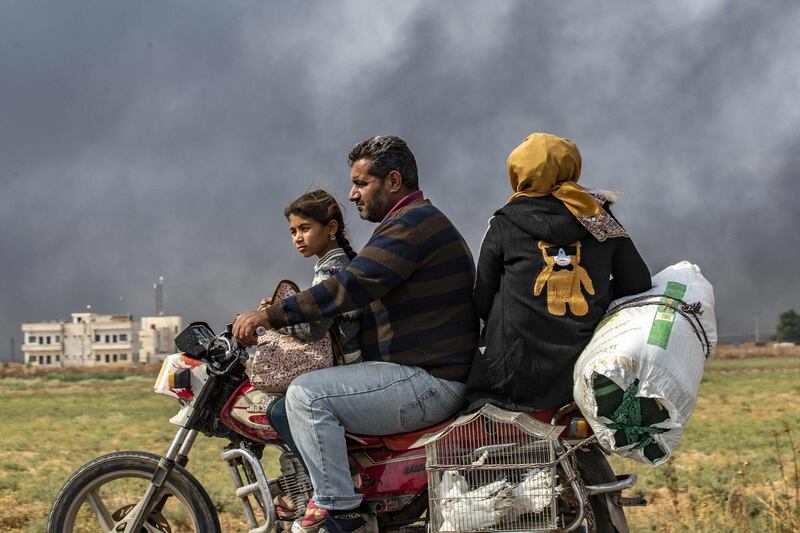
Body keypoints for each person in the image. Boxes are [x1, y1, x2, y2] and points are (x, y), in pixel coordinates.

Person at [234, 135, 479, 533]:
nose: (351, 194)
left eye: (361, 183)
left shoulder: (411, 227)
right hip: (424, 373)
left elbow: (349, 287)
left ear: (393, 181)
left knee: (307, 395)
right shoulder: (412, 223)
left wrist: (270, 316)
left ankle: (340, 512)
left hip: (430, 380)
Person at [465, 133, 651, 414]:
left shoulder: (505, 222)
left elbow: (482, 301)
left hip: (510, 376)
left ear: (517, 172)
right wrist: (597, 297)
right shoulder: (597, 216)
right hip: (578, 373)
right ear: (572, 168)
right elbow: (638, 282)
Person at [258, 189, 362, 518]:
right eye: (293, 231)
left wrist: (271, 321)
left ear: (330, 228)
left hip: (351, 364)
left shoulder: (333, 268)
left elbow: (313, 328)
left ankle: (327, 483)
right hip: (349, 364)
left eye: (305, 228)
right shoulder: (331, 263)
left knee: (278, 410)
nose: (298, 238)